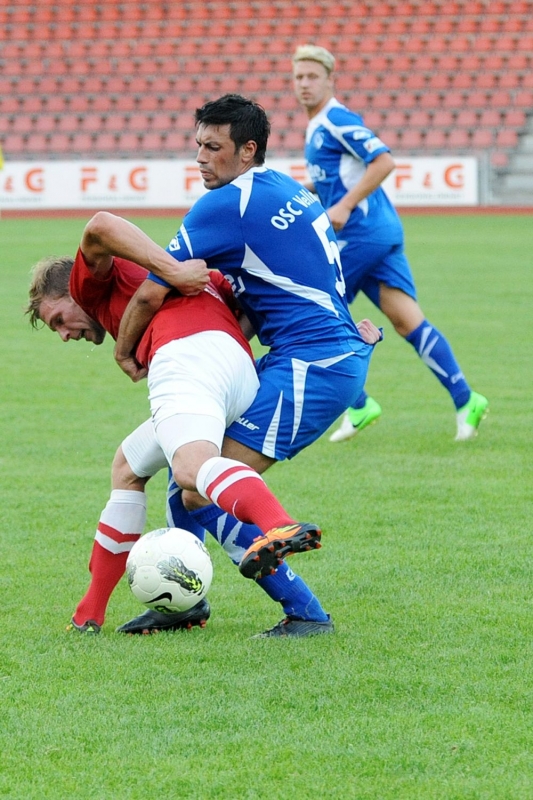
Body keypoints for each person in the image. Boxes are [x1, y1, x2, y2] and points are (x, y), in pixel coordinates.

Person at [108, 94, 382, 635]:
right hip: (321, 354)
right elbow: (269, 291)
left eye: (214, 147)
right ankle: (187, 606)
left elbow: (148, 294)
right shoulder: (286, 188)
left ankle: (305, 612)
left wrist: (124, 350)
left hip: (311, 365)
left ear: (247, 149)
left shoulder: (222, 207)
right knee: (188, 469)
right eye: (198, 146)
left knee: (196, 485)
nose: (201, 159)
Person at [26, 212, 343, 637]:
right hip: (235, 367)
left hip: (184, 356)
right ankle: (96, 615)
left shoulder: (92, 283)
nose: (64, 334)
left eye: (58, 319)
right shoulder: (200, 278)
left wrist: (170, 270)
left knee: (191, 469)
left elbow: (100, 225)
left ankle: (276, 523)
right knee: (133, 467)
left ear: (74, 287)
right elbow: (250, 304)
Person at [292, 44, 489, 443]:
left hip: (362, 233)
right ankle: (467, 399)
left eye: (312, 76)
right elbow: (337, 176)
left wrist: (345, 205)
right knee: (406, 320)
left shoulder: (337, 119)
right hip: (377, 234)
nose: (304, 84)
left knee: (312, 306)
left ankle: (360, 404)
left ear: (330, 79)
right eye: (298, 77)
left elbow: (383, 160)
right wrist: (302, 190)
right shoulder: (316, 127)